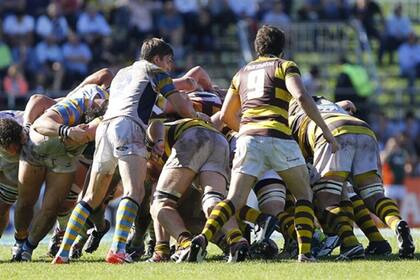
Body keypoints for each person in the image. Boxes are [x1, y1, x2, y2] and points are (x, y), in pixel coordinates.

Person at [187, 25, 338, 263]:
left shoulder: (241, 73)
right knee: (303, 195)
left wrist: (249, 130)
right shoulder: (285, 66)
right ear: (282, 48)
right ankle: (305, 253)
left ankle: (202, 239)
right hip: (279, 137)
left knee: (233, 200)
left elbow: (227, 116)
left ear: (257, 47)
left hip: (247, 139)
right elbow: (300, 96)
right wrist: (325, 130)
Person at [53, 38, 206, 264]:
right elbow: (182, 107)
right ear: (157, 59)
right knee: (135, 191)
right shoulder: (155, 71)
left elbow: (148, 111)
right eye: (168, 61)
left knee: (90, 197)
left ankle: (62, 253)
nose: (170, 66)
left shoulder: (123, 74)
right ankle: (117, 250)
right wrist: (198, 116)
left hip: (104, 128)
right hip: (128, 127)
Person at [289, 96, 415, 259]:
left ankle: (349, 243)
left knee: (324, 197)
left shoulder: (291, 115)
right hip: (364, 129)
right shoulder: (326, 104)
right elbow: (344, 105)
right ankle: (396, 223)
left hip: (332, 133)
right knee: (373, 195)